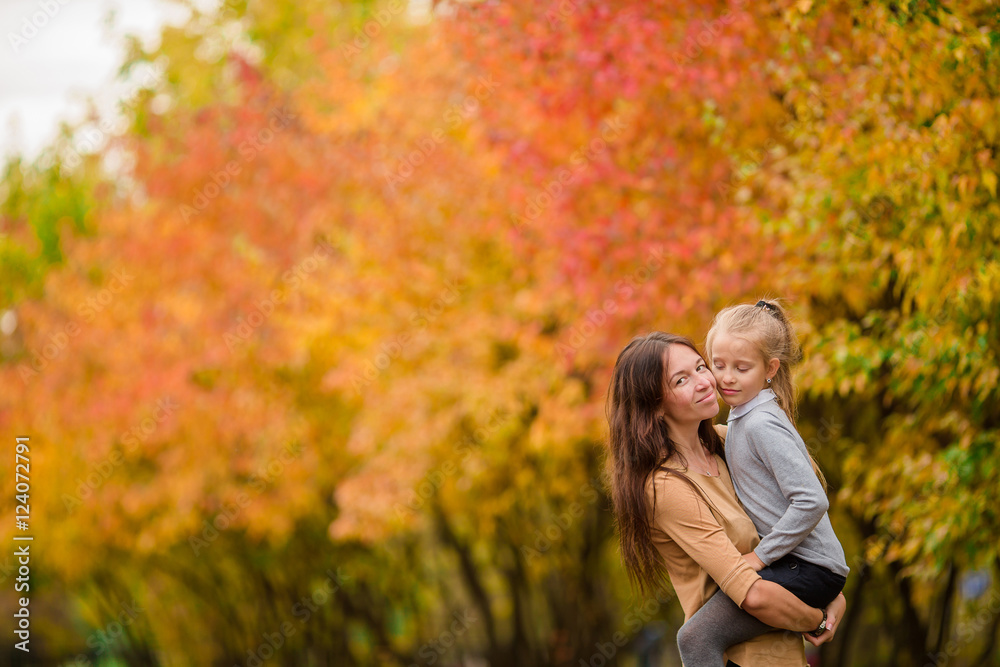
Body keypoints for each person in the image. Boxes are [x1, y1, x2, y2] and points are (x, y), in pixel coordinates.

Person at [606, 331, 845, 666]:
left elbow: (799, 519)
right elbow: (754, 595)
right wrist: (818, 618)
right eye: (681, 379)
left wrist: (830, 586)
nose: (705, 381)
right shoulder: (665, 486)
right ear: (655, 405)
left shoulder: (728, 442)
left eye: (702, 367)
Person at [674, 299, 850, 666]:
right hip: (800, 564)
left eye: (742, 367)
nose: (726, 378)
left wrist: (760, 557)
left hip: (806, 566)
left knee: (696, 637)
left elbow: (812, 501)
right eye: (717, 365)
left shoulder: (760, 423)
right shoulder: (741, 419)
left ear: (770, 369)